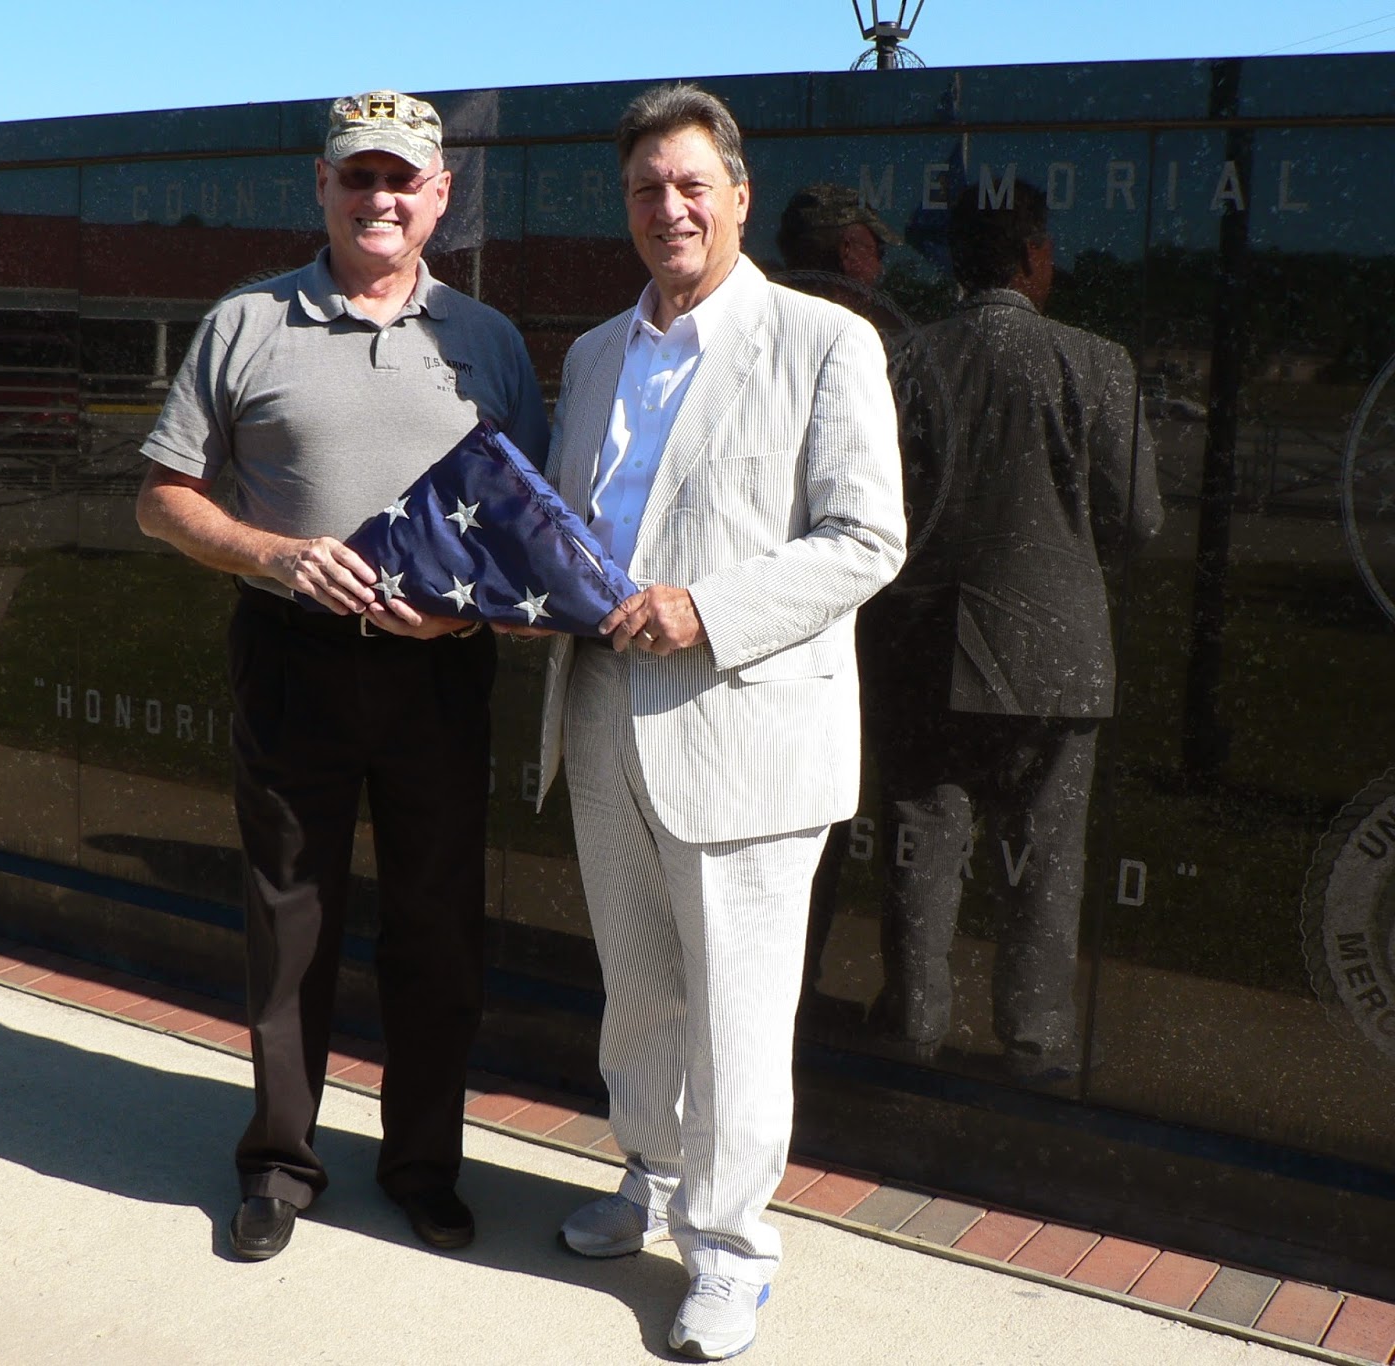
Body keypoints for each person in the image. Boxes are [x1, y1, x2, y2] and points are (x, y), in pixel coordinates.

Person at [520, 84, 905, 1360]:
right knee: (637, 992)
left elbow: (866, 540)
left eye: (692, 184)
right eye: (645, 189)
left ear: (739, 193)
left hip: (742, 729)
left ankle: (732, 1249)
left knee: (739, 1012)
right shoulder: (589, 356)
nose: (669, 207)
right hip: (598, 721)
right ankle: (650, 1171)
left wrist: (708, 611)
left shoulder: (823, 342)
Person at [135, 89, 549, 1261]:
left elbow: (530, 525)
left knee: (435, 928)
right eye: (357, 176)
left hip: (440, 674)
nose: (380, 198)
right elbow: (161, 495)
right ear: (320, 186)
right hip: (291, 662)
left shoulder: (490, 341)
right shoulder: (247, 323)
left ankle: (423, 1164)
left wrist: (473, 614)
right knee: (289, 920)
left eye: (401, 179)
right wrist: (275, 554)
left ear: (439, 197)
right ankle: (278, 1161)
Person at [864, 180, 1163, 1080]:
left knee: (924, 844)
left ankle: (913, 1026)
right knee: (1044, 859)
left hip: (922, 645)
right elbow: (1139, 520)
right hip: (1054, 656)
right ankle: (1032, 1043)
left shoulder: (908, 362)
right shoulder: (1097, 364)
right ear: (1035, 258)